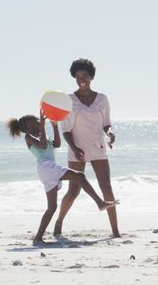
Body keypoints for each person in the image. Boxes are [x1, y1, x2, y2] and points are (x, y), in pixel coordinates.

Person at [7, 110, 118, 244]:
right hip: (46, 167)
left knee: (52, 207)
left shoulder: (42, 134)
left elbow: (57, 144)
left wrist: (54, 126)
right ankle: (100, 203)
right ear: (29, 125)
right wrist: (42, 125)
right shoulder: (29, 137)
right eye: (37, 120)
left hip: (49, 168)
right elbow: (42, 146)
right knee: (80, 176)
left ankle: (38, 238)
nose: (40, 121)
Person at [54, 58, 121, 237]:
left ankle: (115, 231)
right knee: (74, 191)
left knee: (106, 187)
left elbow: (107, 124)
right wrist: (75, 148)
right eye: (77, 76)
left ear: (91, 77)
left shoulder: (102, 99)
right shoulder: (69, 100)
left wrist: (111, 134)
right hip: (77, 149)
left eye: (84, 76)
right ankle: (59, 222)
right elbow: (66, 130)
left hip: (98, 147)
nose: (81, 79)